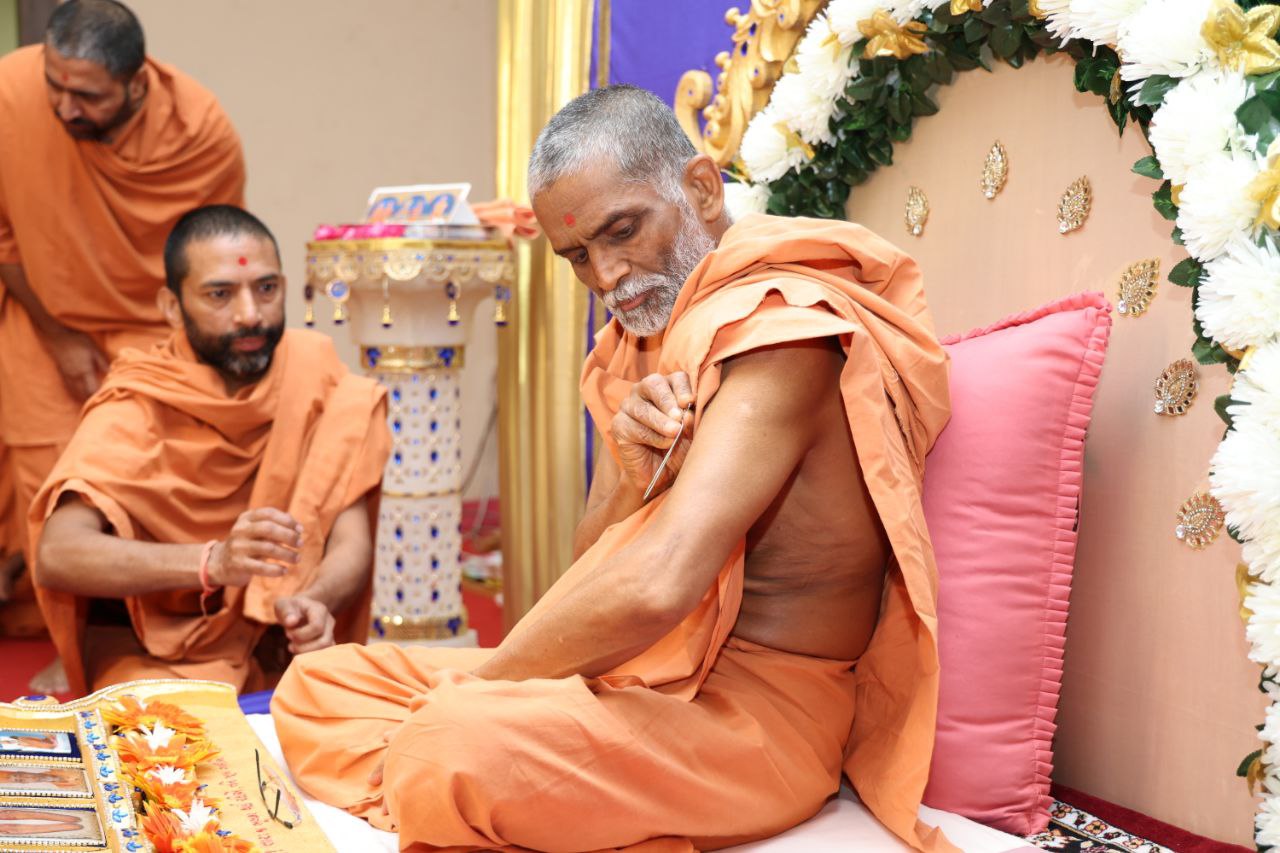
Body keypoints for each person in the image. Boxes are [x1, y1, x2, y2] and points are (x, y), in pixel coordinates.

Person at [272, 85, 955, 852]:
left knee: (449, 741)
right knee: (318, 684)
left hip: (756, 713)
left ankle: (453, 778)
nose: (605, 275)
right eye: (576, 256)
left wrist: (477, 686)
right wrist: (634, 479)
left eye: (622, 231)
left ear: (701, 188)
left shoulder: (781, 334)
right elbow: (590, 564)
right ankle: (491, 792)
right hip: (635, 671)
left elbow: (658, 582)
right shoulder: (640, 342)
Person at [30, 206, 390, 697]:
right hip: (157, 652)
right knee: (170, 731)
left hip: (279, 645)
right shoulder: (140, 402)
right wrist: (212, 563)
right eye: (220, 294)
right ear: (172, 307)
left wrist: (314, 600)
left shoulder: (319, 378)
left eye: (266, 288)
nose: (250, 314)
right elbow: (58, 552)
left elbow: (351, 539)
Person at [0, 0, 245, 638]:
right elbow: (4, 238)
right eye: (54, 85)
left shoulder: (199, 133)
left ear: (137, 84)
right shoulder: (11, 92)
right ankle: (70, 643)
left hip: (152, 331)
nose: (64, 108)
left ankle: (148, 632)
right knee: (51, 487)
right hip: (42, 317)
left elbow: (206, 260)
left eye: (87, 96)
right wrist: (59, 337)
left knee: (149, 483)